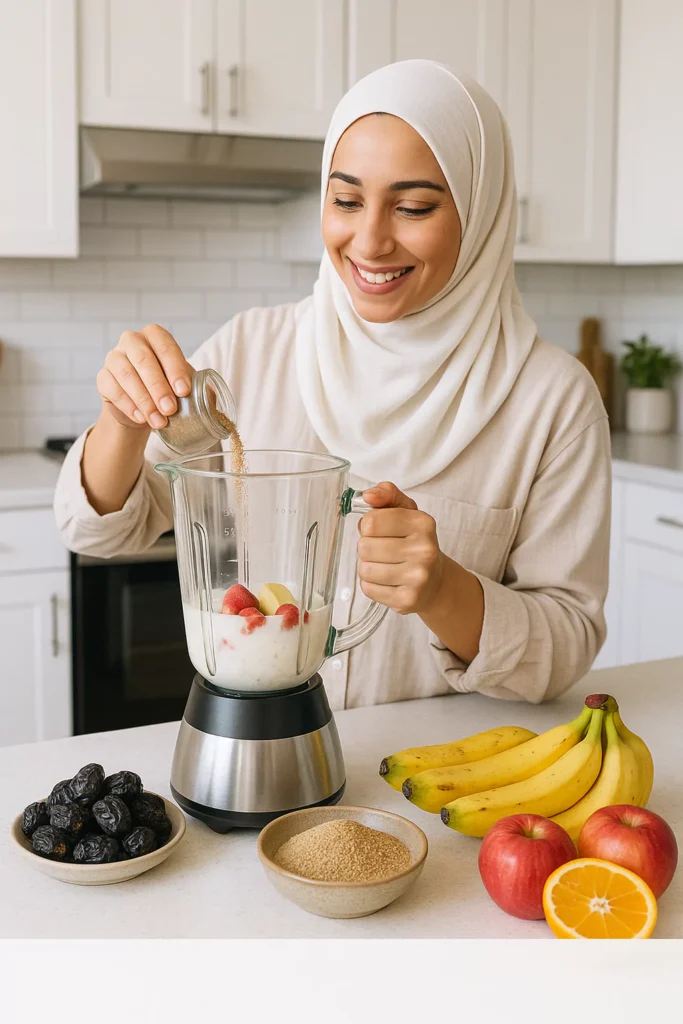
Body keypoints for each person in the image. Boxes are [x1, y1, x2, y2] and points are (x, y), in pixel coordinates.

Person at [55, 59, 611, 710]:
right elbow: (96, 533)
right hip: (261, 747)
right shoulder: (252, 349)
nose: (369, 241)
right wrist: (122, 422)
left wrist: (443, 591)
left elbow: (565, 645)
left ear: (481, 211)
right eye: (345, 201)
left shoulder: (552, 401)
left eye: (413, 207)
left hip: (435, 761)